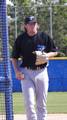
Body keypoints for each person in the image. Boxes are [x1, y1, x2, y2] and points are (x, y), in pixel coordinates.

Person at [12, 15, 58, 120]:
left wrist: (47, 55)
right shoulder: (20, 39)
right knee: (29, 103)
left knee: (41, 103)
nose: (32, 25)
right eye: (30, 24)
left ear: (37, 25)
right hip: (26, 73)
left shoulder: (44, 37)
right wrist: (17, 71)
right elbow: (14, 58)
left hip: (41, 72)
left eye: (34, 23)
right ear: (25, 26)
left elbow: (55, 51)